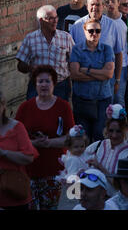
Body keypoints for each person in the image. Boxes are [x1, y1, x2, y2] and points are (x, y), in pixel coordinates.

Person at [15, 65, 75, 210]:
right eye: (40, 81)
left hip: (54, 171)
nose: (44, 85)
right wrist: (34, 143)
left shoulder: (64, 106)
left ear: (54, 84)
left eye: (47, 81)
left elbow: (71, 138)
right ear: (34, 85)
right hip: (29, 170)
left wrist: (48, 143)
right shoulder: (25, 107)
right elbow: (16, 139)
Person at [70, 0, 126, 99]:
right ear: (87, 6)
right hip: (82, 87)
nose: (95, 8)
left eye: (98, 4)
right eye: (92, 4)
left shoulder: (112, 26)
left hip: (106, 85)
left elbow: (118, 53)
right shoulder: (77, 27)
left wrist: (117, 80)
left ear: (103, 6)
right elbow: (71, 57)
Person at [16, 5, 74, 101]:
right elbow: (20, 66)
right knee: (35, 113)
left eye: (56, 17)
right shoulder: (30, 39)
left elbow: (74, 62)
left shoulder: (66, 37)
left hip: (60, 86)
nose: (55, 21)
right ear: (41, 20)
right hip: (37, 85)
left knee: (59, 114)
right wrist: (31, 68)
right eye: (51, 18)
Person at [70, 19, 115, 142]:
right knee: (83, 138)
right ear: (84, 31)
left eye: (97, 31)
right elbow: (74, 74)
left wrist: (86, 70)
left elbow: (109, 74)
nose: (94, 34)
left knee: (100, 136)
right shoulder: (76, 49)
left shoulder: (107, 49)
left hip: (102, 100)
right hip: (82, 100)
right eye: (90, 31)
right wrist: (100, 74)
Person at [84, 104, 128, 197]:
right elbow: (80, 158)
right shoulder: (98, 146)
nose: (114, 135)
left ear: (125, 130)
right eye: (111, 131)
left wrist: (100, 167)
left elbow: (121, 187)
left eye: (118, 131)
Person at [0, 90, 38, 210]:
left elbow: (28, 157)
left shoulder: (17, 127)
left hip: (14, 192)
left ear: (3, 106)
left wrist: (3, 152)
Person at [104, 0, 128, 108]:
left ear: (118, 3)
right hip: (106, 67)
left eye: (113, 1)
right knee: (108, 101)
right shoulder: (101, 22)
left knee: (119, 100)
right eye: (107, 2)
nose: (110, 4)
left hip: (122, 66)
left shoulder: (126, 21)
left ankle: (121, 125)